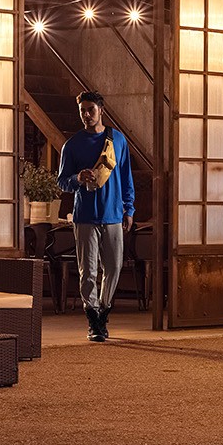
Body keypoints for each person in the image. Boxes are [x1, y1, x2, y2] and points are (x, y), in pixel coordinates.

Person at [57, 90, 134, 342]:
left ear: (101, 110)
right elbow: (62, 182)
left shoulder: (118, 140)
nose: (86, 115)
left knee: (113, 267)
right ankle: (93, 318)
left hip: (113, 215)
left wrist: (129, 208)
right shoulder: (72, 145)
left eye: (91, 110)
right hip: (85, 217)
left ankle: (103, 309)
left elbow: (125, 177)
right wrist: (77, 178)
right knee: (87, 271)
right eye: (82, 111)